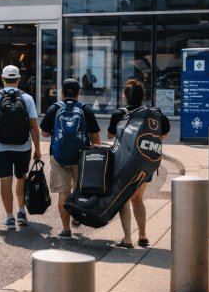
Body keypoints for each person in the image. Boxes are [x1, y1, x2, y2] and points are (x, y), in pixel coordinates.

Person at [109, 79, 170, 249]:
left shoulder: (119, 114)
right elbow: (164, 134)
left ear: (125, 96)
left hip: (124, 164)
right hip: (145, 163)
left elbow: (109, 135)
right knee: (137, 198)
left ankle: (127, 238)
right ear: (143, 96)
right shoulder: (154, 113)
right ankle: (142, 236)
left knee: (124, 200)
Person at [39, 79, 101, 240]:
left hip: (59, 156)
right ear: (79, 92)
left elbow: (44, 133)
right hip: (81, 157)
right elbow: (95, 137)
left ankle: (66, 230)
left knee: (63, 193)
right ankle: (76, 217)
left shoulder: (54, 109)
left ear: (62, 92)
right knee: (78, 189)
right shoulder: (86, 110)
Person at [0, 65, 42, 230]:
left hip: (0, 147)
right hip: (23, 146)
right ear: (19, 79)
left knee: (5, 182)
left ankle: (9, 217)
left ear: (2, 78)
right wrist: (37, 148)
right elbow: (33, 126)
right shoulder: (27, 98)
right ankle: (21, 212)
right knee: (21, 178)